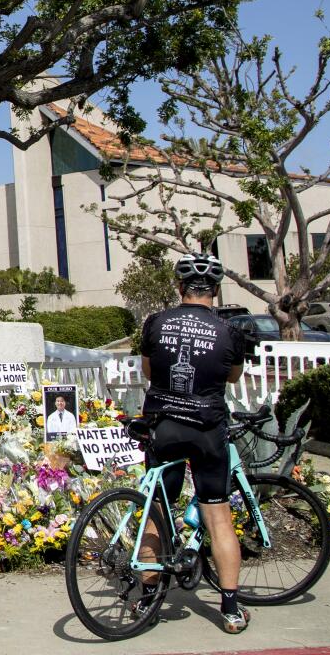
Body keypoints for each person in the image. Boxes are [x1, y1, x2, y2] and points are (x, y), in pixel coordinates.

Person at [138, 252, 248, 633]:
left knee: (157, 510)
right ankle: (231, 609)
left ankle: (148, 597)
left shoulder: (156, 323)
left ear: (179, 287)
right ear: (215, 290)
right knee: (218, 518)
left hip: (165, 424)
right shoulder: (229, 330)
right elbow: (232, 377)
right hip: (207, 429)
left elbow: (149, 371)